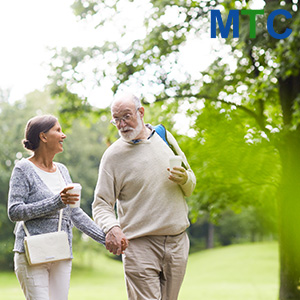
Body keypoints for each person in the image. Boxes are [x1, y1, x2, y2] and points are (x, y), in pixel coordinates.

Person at [92, 93, 196, 300]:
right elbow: (101, 204)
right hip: (139, 245)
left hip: (177, 242)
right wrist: (112, 227)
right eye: (117, 119)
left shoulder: (164, 136)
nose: (122, 124)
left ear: (141, 112)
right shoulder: (113, 156)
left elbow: (191, 184)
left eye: (126, 116)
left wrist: (185, 179)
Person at [7, 115, 106, 300]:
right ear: (43, 137)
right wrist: (56, 202)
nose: (64, 135)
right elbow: (14, 211)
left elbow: (75, 213)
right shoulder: (23, 169)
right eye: (58, 130)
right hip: (31, 254)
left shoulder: (62, 170)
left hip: (61, 251)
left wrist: (105, 239)